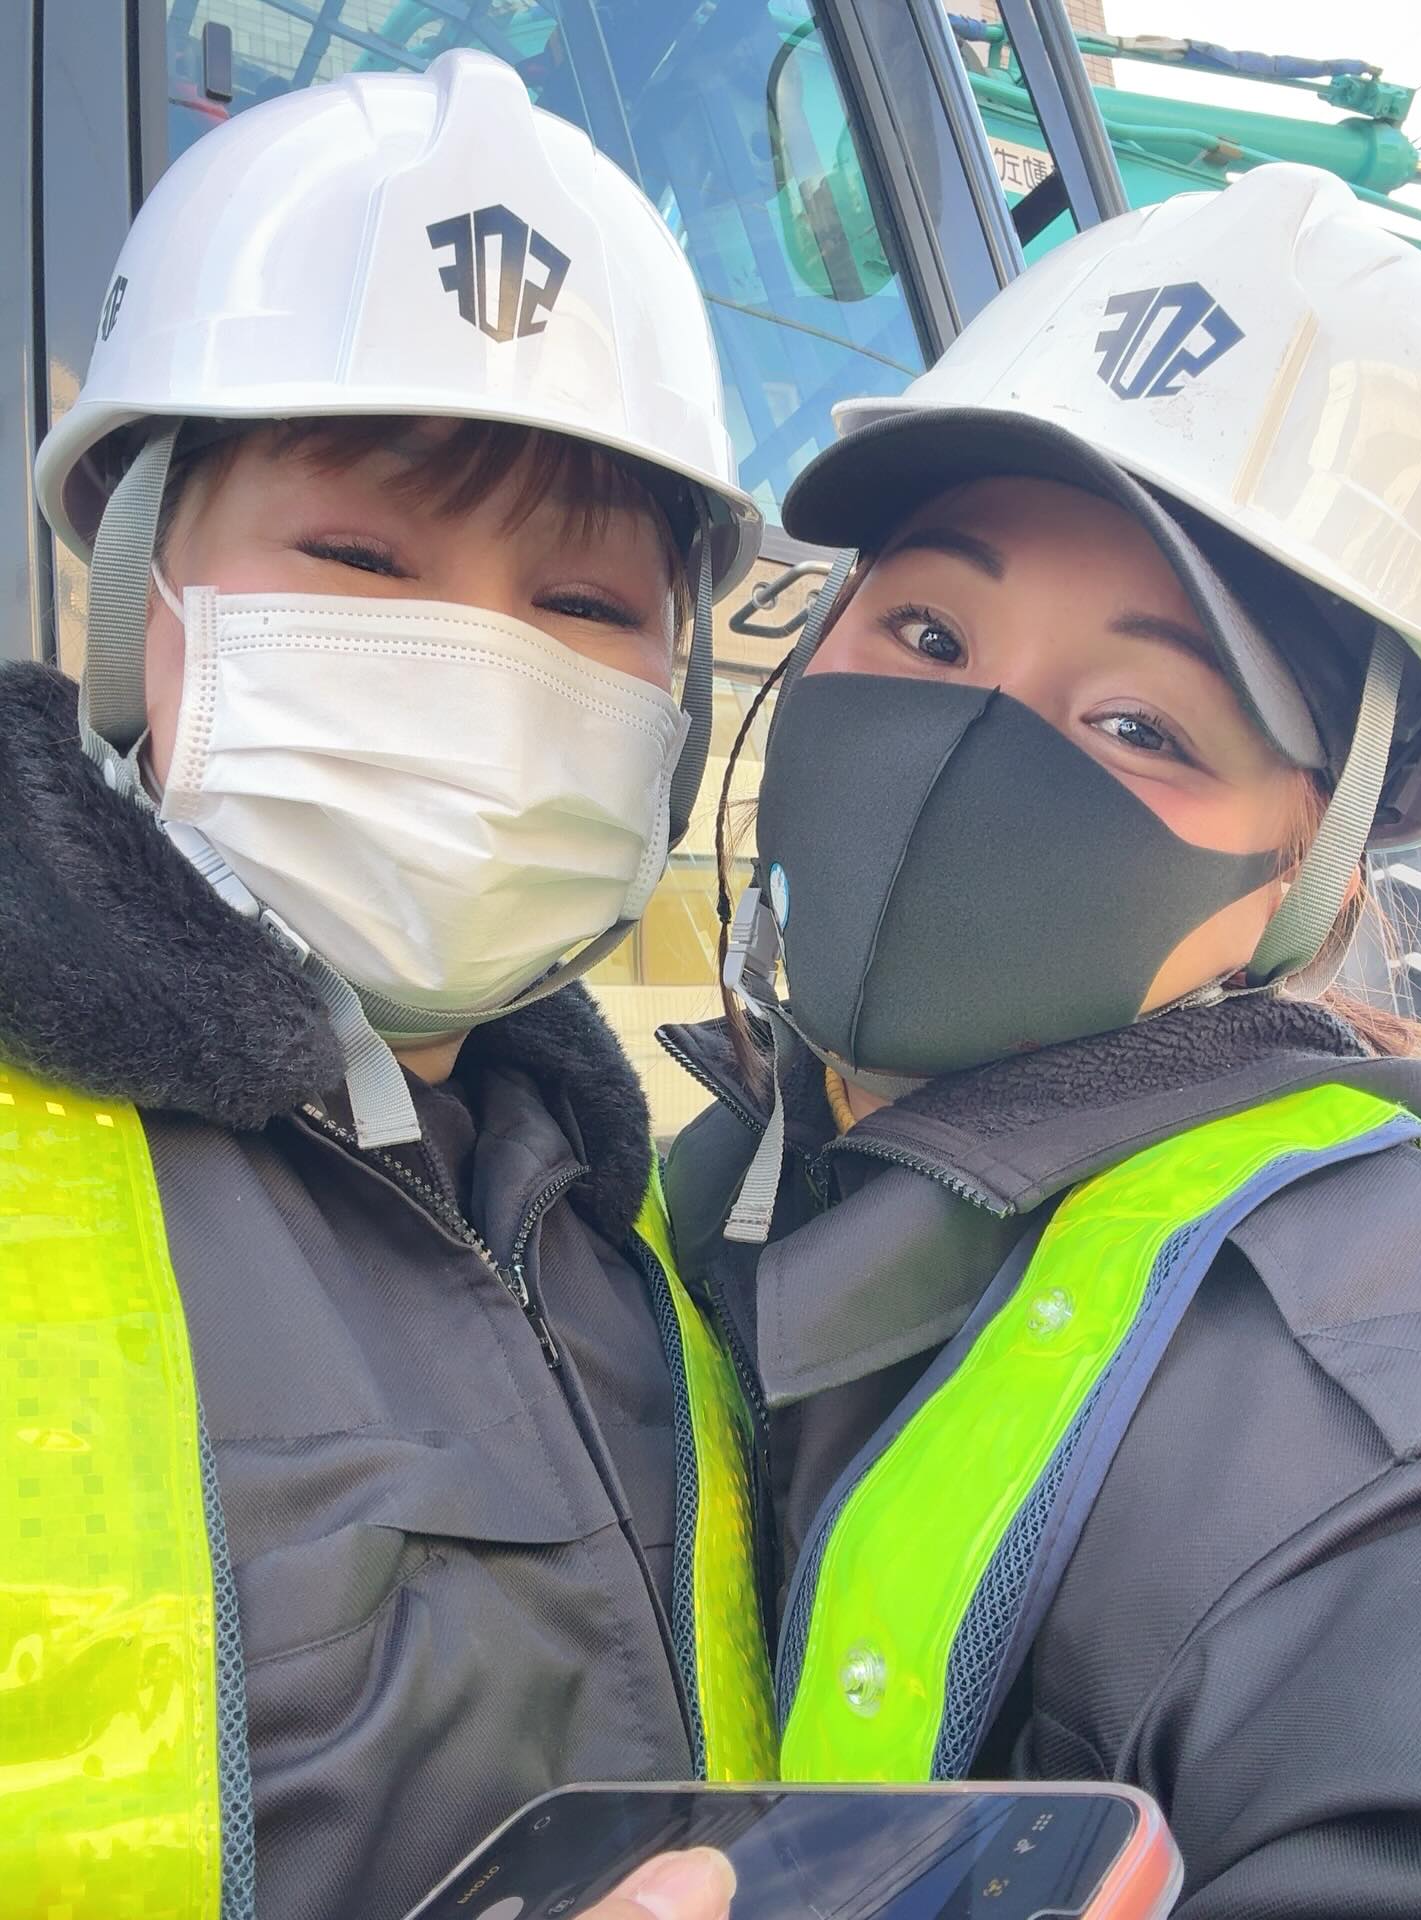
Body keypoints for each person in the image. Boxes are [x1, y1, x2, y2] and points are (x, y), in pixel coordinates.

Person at [0, 51, 776, 1920]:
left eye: (582, 608)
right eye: (359, 557)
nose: (475, 665)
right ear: (134, 592)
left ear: (676, 704)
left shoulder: (614, 1232)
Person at [660, 164, 1421, 1916]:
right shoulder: (703, 1177)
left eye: (1141, 724)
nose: (965, 751)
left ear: (1312, 860)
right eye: (930, 631)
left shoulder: (1376, 1401)